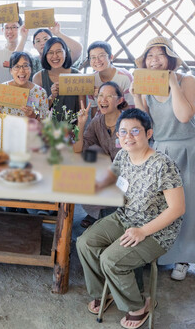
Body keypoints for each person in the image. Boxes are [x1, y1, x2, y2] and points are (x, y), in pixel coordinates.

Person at [77, 108, 185, 329]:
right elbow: (112, 183)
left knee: (111, 259)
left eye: (135, 131)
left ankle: (138, 306)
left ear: (149, 133)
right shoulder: (123, 156)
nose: (128, 136)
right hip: (124, 218)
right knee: (84, 243)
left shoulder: (162, 164)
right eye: (123, 131)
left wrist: (143, 231)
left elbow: (177, 209)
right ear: (118, 136)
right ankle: (103, 293)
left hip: (155, 231)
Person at [132, 36, 195, 281]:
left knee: (187, 205)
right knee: (161, 206)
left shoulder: (186, 80)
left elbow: (183, 116)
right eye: (150, 55)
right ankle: (160, 252)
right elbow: (145, 120)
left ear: (169, 58)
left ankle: (183, 258)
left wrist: (173, 83)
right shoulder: (147, 85)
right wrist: (137, 95)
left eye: (159, 54)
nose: (154, 59)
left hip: (186, 148)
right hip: (161, 150)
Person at [74, 81, 127, 227]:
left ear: (120, 100)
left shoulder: (128, 121)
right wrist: (81, 124)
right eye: (101, 95)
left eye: (109, 96)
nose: (103, 100)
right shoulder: (97, 121)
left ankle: (112, 213)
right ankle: (98, 212)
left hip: (127, 173)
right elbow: (78, 148)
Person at [0, 51, 48, 119]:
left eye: (26, 66)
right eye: (17, 66)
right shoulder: (2, 90)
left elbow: (45, 122)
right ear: (11, 70)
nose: (21, 70)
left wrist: (34, 115)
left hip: (30, 129)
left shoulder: (40, 92)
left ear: (31, 69)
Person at [33, 37, 85, 121]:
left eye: (59, 52)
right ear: (45, 55)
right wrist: (52, 96)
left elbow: (82, 110)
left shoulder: (78, 76)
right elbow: (37, 112)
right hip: (46, 131)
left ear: (66, 53)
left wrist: (77, 132)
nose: (55, 56)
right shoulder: (38, 77)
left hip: (71, 130)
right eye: (50, 52)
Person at [86, 41, 133, 117]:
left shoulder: (125, 77)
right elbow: (94, 109)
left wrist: (106, 95)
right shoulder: (91, 79)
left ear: (111, 57)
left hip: (121, 121)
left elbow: (131, 109)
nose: (97, 60)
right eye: (93, 57)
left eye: (101, 56)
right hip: (100, 122)